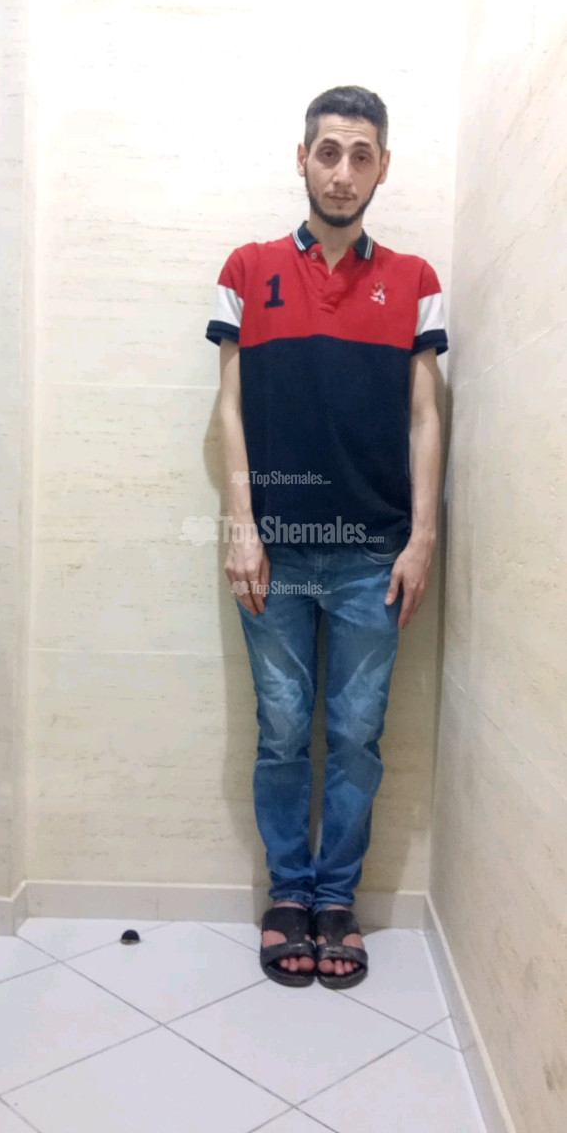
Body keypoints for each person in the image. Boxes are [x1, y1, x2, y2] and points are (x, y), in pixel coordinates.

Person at [206, 85, 448, 990]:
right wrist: (241, 525)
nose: (343, 172)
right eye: (329, 151)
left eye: (361, 154)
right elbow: (230, 406)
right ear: (302, 158)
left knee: (354, 734)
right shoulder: (248, 267)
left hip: (374, 555)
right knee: (279, 731)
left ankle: (336, 900)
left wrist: (424, 538)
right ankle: (288, 896)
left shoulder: (416, 281)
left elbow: (424, 417)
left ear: (382, 167)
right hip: (273, 548)